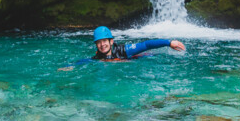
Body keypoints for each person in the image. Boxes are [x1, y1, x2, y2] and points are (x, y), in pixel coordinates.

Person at [58, 26, 186, 70]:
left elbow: (146, 45)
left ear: (111, 41)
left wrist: (169, 43)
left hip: (145, 59)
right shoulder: (98, 57)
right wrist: (72, 65)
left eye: (105, 41)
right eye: (99, 42)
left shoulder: (124, 50)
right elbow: (86, 61)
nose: (102, 45)